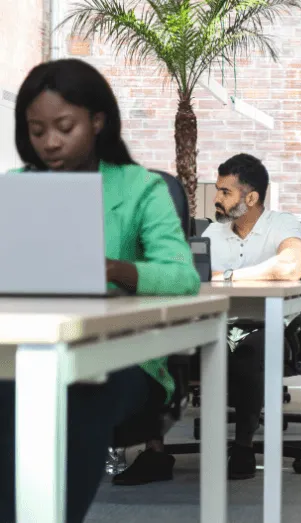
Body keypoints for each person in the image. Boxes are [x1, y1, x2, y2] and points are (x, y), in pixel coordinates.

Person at [0, 58, 200, 523]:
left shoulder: (139, 188)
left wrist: (113, 269)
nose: (49, 142)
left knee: (71, 396)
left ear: (97, 120)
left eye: (64, 127)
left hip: (124, 356)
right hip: (24, 347)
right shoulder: (15, 188)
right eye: (36, 130)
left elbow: (182, 276)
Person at [113, 153, 301, 483]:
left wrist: (228, 276)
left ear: (251, 198)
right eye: (217, 190)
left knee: (251, 349)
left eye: (225, 192)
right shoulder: (211, 235)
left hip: (264, 325)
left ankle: (244, 446)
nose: (215, 198)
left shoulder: (282, 224)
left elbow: (290, 266)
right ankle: (155, 452)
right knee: (156, 344)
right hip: (212, 323)